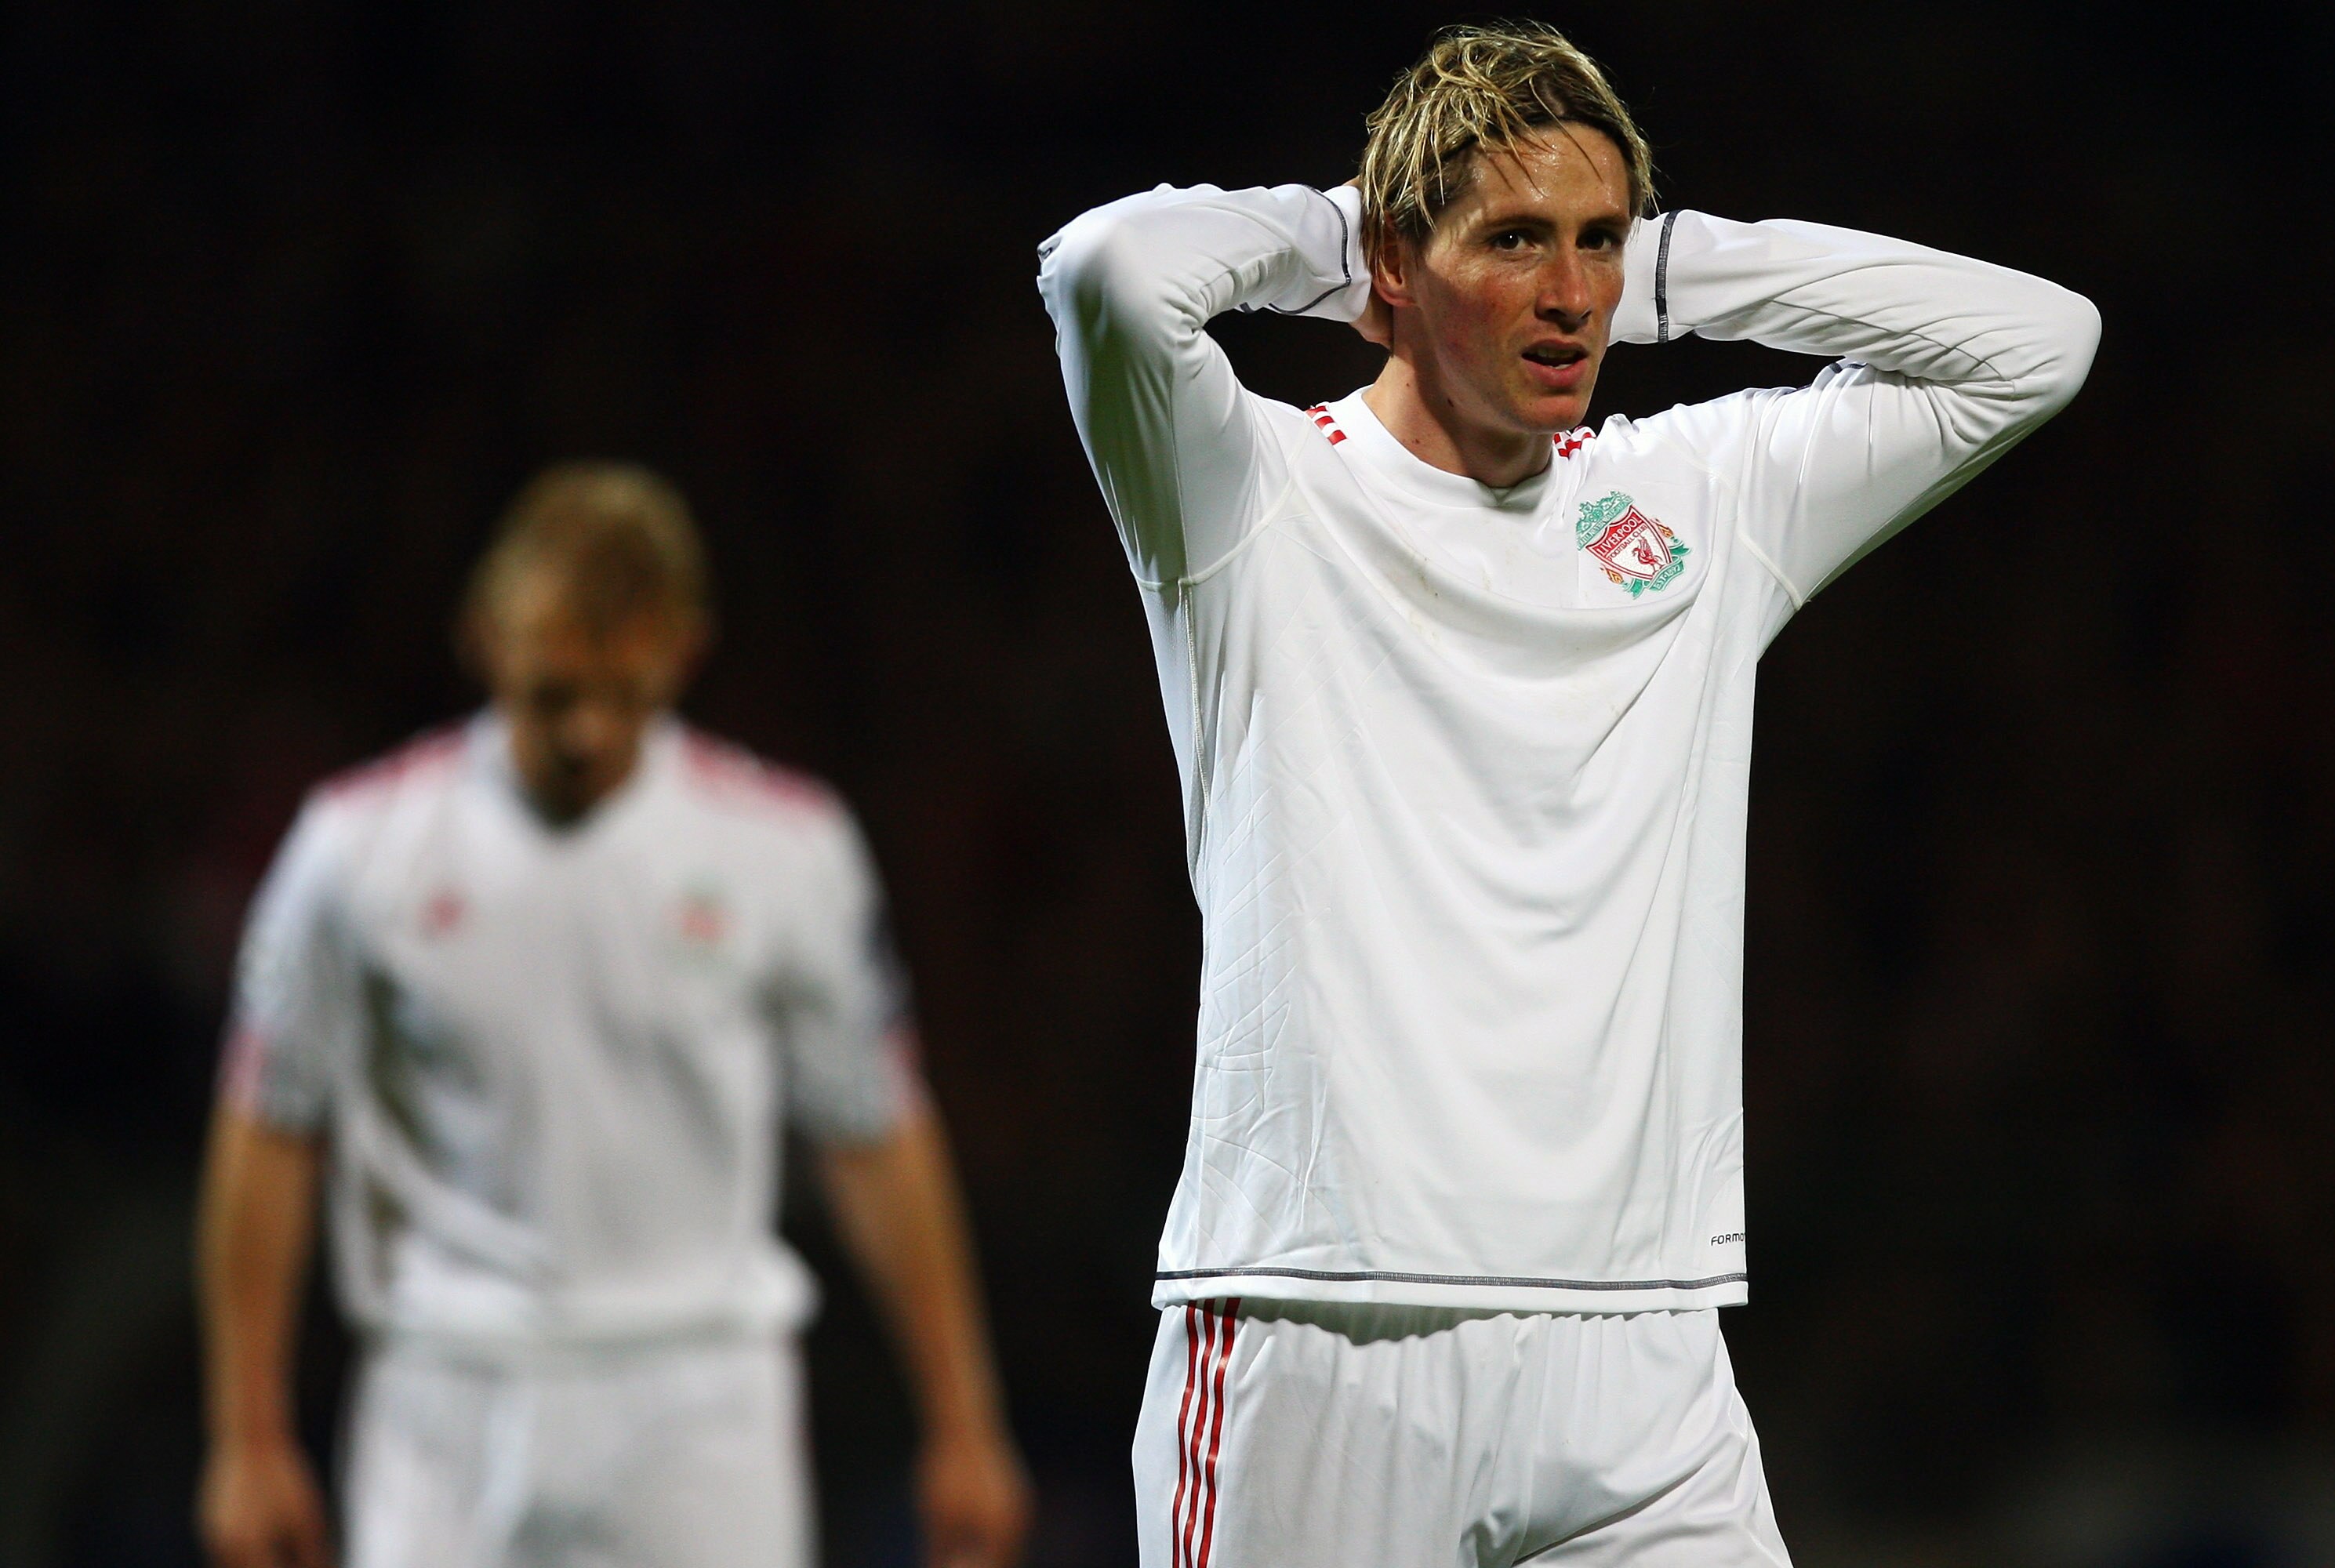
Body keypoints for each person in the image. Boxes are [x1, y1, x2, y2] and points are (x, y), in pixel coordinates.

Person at [1039, 20, 2097, 1568]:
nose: (1571, 292)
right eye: (1516, 240)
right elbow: (1108, 272)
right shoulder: (1252, 497)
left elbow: (2037, 343)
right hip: (1330, 1330)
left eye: (1600, 241)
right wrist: (1347, 236)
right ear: (1394, 264)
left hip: (1644, 1352)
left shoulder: (1702, 502)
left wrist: (1675, 272)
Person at [194, 463, 1032, 1568]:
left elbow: (874, 1132)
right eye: (553, 692)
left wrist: (964, 1422)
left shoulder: (787, 851)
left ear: (684, 650)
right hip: (446, 1390)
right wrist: (245, 1437)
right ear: (485, 639)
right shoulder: (354, 851)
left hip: (697, 1402)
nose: (587, 732)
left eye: (624, 695)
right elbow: (271, 1128)